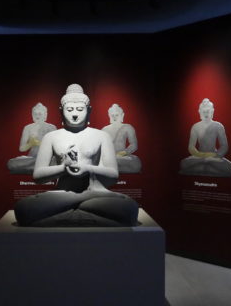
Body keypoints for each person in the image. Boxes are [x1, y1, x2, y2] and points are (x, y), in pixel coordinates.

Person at [14, 84, 139, 227]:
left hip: (94, 192)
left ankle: (66, 215)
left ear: (88, 110)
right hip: (63, 194)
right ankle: (85, 210)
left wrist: (87, 168)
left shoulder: (101, 136)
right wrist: (63, 168)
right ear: (61, 111)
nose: (74, 114)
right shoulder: (51, 137)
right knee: (23, 209)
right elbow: (38, 176)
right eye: (69, 109)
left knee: (130, 208)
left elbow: (113, 175)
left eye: (80, 109)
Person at [179, 98, 231, 177]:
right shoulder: (195, 127)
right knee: (184, 163)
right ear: (199, 112)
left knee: (229, 167)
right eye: (204, 111)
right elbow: (191, 147)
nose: (206, 113)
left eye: (208, 111)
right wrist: (200, 155)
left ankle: (203, 166)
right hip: (199, 156)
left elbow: (224, 146)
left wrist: (215, 156)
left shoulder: (218, 126)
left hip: (213, 156)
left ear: (212, 111)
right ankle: (208, 167)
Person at [7, 103, 57, 174]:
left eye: (40, 114)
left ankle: (35, 167)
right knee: (11, 163)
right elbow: (21, 149)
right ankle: (41, 167)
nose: (37, 116)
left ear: (45, 115)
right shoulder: (28, 128)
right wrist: (31, 143)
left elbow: (55, 147)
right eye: (35, 114)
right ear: (32, 115)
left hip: (47, 158)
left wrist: (41, 144)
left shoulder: (51, 127)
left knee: (56, 161)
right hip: (32, 158)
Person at [101, 103, 142, 173]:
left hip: (122, 156)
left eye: (117, 115)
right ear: (109, 116)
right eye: (112, 115)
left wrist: (122, 153)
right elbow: (100, 145)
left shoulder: (127, 127)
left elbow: (134, 145)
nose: (114, 117)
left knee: (136, 163)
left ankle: (109, 168)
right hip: (109, 157)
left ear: (122, 115)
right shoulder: (104, 129)